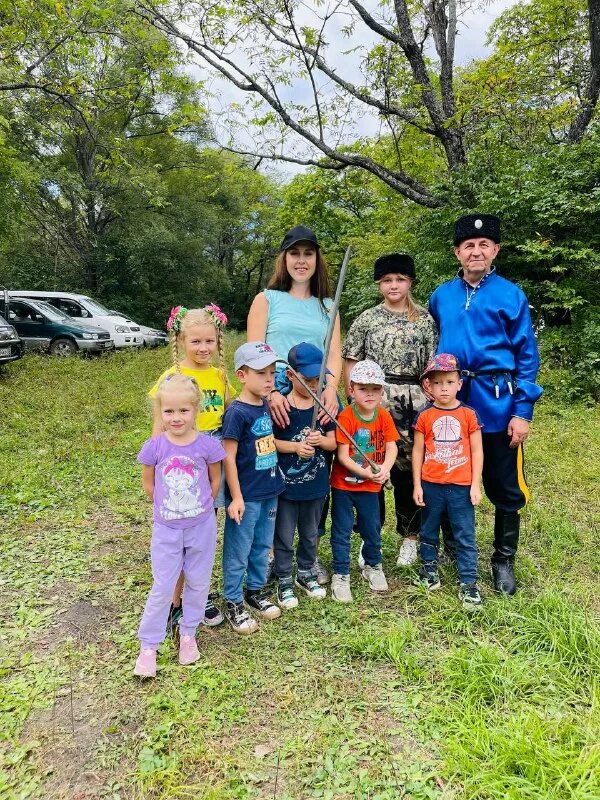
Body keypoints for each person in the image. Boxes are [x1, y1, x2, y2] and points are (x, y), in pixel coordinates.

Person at [428, 214, 543, 595]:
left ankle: (503, 559)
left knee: (503, 481)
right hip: (450, 400)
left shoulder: (511, 294)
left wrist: (522, 411)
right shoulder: (441, 295)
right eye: (468, 246)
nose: (475, 251)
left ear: (495, 250)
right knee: (449, 474)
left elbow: (527, 355)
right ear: (457, 252)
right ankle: (452, 549)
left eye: (483, 245)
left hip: (496, 400)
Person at [246, 225, 342, 583]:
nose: (302, 261)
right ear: (284, 259)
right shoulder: (267, 299)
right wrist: (268, 392)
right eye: (295, 254)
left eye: (309, 254)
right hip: (276, 396)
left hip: (318, 396)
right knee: (272, 468)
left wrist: (331, 389)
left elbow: (334, 354)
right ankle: (272, 552)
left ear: (317, 260)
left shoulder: (328, 306)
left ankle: (309, 554)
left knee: (317, 469)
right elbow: (254, 352)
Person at [342, 253, 437, 568]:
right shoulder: (367, 319)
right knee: (373, 468)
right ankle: (372, 536)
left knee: (409, 471)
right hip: (373, 401)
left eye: (399, 279)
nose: (393, 285)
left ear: (410, 281)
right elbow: (352, 358)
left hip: (414, 401)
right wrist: (353, 397)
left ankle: (410, 537)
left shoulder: (424, 319)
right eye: (386, 280)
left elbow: (432, 365)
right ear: (379, 284)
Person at [134, 374, 225, 678]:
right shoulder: (154, 447)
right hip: (167, 529)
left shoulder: (208, 445)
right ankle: (149, 645)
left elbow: (214, 480)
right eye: (168, 411)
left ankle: (188, 633)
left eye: (183, 411)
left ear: (195, 410)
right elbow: (150, 485)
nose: (176, 418)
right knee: (162, 585)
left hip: (201, 527)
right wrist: (169, 511)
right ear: (159, 412)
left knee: (198, 582)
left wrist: (199, 511)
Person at [149, 304, 234, 629]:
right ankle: (175, 600)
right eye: (195, 342)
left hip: (211, 460)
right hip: (180, 463)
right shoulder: (171, 378)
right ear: (182, 340)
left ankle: (199, 595)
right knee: (180, 532)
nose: (203, 348)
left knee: (202, 531)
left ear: (217, 341)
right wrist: (160, 476)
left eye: (209, 342)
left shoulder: (220, 376)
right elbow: (159, 431)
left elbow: (229, 417)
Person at [221, 341, 285, 634]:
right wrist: (235, 496)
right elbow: (229, 457)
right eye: (261, 373)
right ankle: (233, 599)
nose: (269, 379)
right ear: (242, 375)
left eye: (272, 372)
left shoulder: (265, 404)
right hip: (246, 495)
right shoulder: (236, 412)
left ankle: (254, 591)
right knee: (239, 548)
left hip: (269, 489)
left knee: (262, 546)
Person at [412, 354, 484, 610]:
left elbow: (477, 451)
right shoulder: (424, 417)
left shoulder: (468, 415)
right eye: (438, 382)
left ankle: (469, 583)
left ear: (459, 384)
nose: (444, 388)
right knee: (429, 529)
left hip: (461, 486)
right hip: (431, 484)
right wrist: (418, 485)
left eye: (450, 382)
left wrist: (475, 485)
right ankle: (429, 569)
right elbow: (418, 452)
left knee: (465, 533)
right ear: (429, 386)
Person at [272, 343, 337, 609]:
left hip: (316, 487)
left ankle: (306, 572)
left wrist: (320, 440)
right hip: (286, 488)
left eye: (318, 379)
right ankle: (284, 577)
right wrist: (296, 447)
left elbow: (334, 443)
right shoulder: (281, 408)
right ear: (289, 375)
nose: (313, 385)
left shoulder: (323, 408)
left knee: (311, 533)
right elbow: (271, 442)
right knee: (284, 535)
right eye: (307, 379)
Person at [329, 360, 399, 602]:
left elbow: (391, 448)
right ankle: (340, 573)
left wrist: (385, 470)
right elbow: (342, 455)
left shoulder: (384, 417)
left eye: (375, 389)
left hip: (371, 487)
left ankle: (373, 565)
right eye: (363, 389)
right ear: (351, 390)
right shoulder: (346, 417)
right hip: (343, 486)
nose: (370, 394)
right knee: (342, 530)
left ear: (382, 391)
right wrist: (365, 472)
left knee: (372, 528)